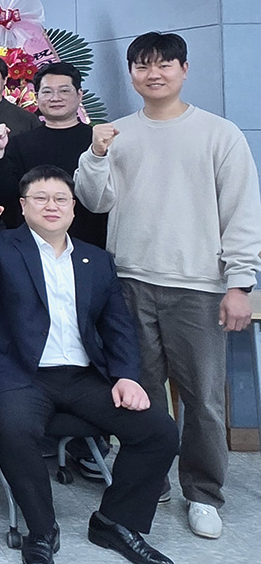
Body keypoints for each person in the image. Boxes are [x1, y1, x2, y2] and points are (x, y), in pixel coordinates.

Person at [75, 32, 261, 539]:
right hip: (130, 281)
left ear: (184, 69)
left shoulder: (219, 134)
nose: (152, 74)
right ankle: (149, 479)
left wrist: (240, 283)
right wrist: (95, 154)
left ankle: (203, 494)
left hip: (198, 285)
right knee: (141, 392)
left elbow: (242, 213)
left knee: (203, 399)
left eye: (163, 65)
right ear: (131, 73)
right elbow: (94, 201)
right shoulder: (119, 133)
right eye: (142, 66)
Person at [0, 167, 180, 564]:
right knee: (16, 431)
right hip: (18, 373)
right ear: (23, 206)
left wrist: (127, 377)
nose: (51, 206)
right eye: (40, 198)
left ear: (73, 208)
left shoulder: (97, 260)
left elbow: (118, 327)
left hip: (82, 376)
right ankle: (42, 530)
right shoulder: (4, 246)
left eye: (60, 198)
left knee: (158, 430)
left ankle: (114, 522)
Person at [0, 61, 107, 247]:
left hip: (91, 242)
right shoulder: (19, 143)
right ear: (36, 97)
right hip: (32, 245)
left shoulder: (97, 142)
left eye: (64, 91)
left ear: (79, 95)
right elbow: (5, 196)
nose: (55, 98)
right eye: (47, 92)